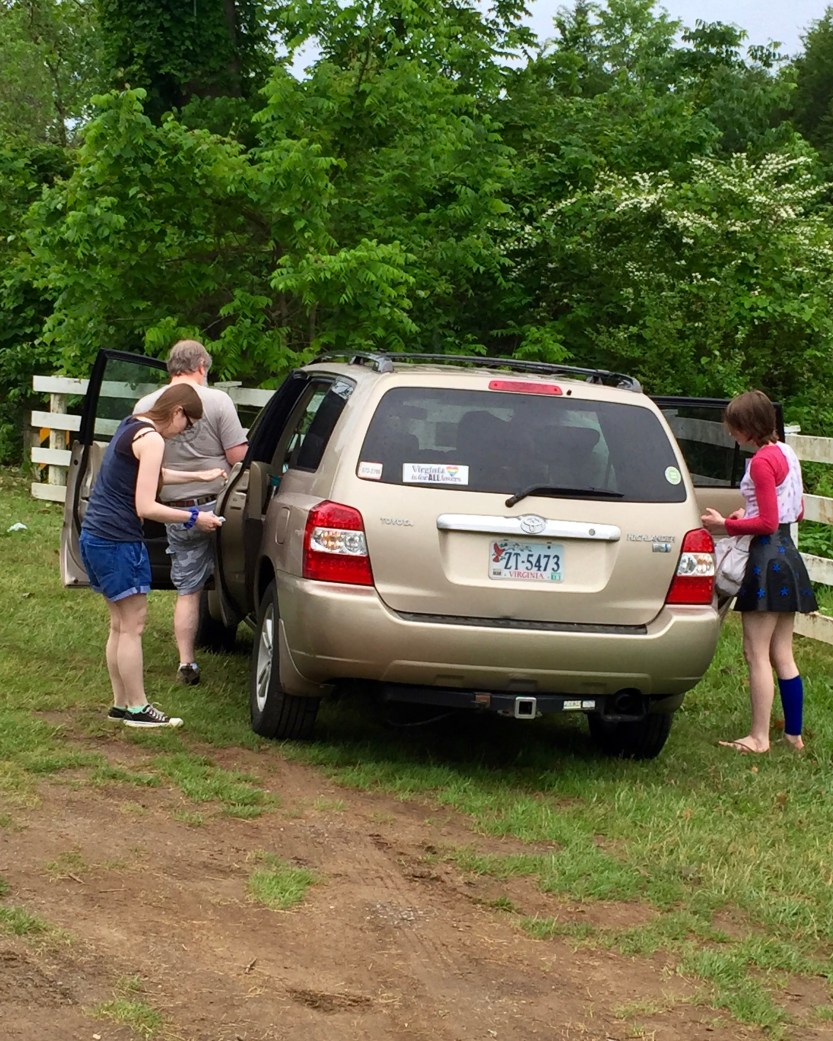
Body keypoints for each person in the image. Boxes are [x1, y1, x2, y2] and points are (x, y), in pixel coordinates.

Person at [80, 385, 225, 728]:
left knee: (119, 625)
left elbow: (151, 474)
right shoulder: (154, 439)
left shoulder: (132, 425)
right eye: (187, 424)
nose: (183, 432)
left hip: (96, 536)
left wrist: (197, 475)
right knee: (133, 626)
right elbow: (146, 506)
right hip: (119, 540)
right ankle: (138, 708)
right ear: (176, 411)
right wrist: (194, 518)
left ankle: (120, 705)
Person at [701, 390, 817, 754]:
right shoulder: (787, 454)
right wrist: (746, 515)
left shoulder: (763, 462)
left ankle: (759, 737)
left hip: (765, 560)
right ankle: (792, 735)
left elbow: (766, 522)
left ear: (748, 427)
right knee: (783, 652)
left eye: (735, 427)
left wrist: (725, 523)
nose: (731, 432)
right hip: (787, 556)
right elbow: (792, 512)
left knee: (755, 652)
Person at [134, 340, 248, 685]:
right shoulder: (218, 401)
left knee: (188, 589)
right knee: (238, 570)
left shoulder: (145, 405)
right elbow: (237, 456)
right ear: (201, 366)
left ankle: (187, 662)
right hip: (222, 503)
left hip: (175, 509)